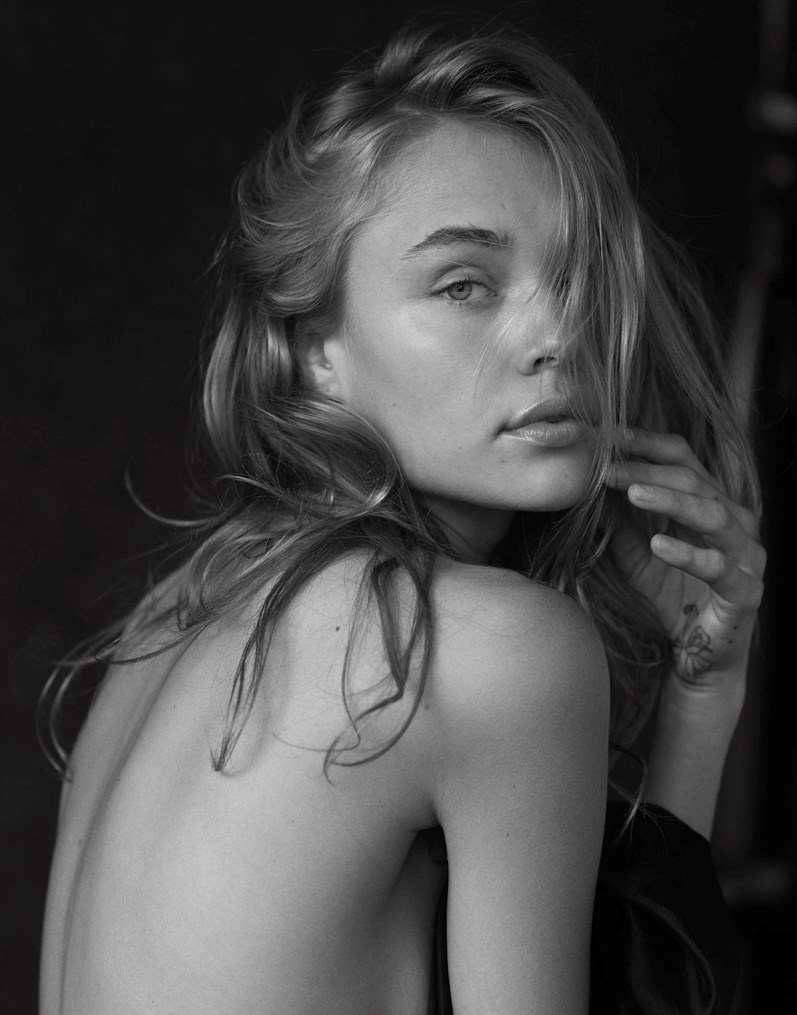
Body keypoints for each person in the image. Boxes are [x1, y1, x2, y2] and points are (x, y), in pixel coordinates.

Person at [39, 22, 765, 1015]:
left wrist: (700, 686)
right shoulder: (490, 645)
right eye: (464, 285)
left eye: (581, 277)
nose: (559, 333)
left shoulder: (172, 614)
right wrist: (703, 709)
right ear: (313, 348)